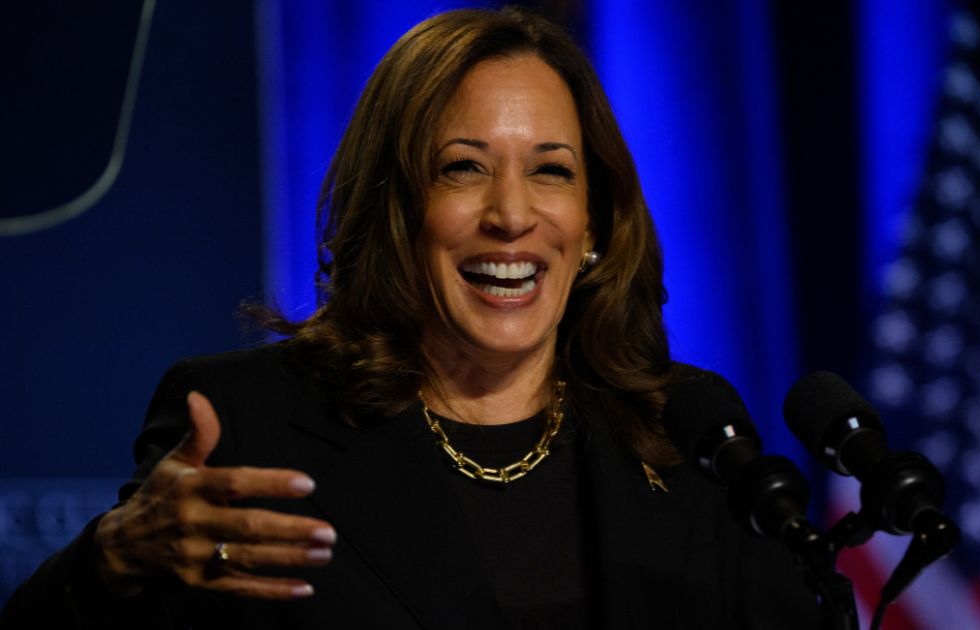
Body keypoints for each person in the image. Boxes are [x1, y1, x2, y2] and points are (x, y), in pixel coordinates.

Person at [1, 7, 817, 628]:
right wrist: (109, 561)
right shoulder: (249, 427)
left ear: (595, 224)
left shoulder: (685, 432)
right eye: (462, 168)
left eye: (552, 172)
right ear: (395, 209)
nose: (512, 215)